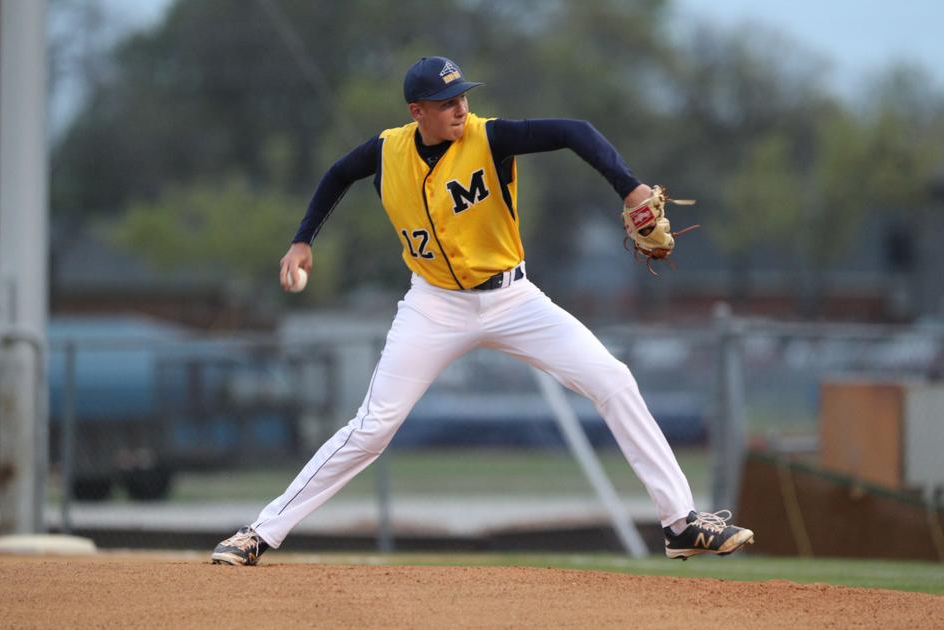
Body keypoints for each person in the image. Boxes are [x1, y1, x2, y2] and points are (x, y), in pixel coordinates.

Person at [211, 56, 753, 565]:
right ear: (416, 112)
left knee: (614, 379)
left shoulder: (489, 138)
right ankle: (260, 533)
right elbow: (336, 175)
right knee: (373, 428)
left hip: (514, 299)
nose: (460, 108)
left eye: (462, 97)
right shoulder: (386, 150)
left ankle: (679, 523)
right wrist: (303, 239)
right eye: (446, 102)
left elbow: (575, 132)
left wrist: (629, 186)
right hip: (433, 305)